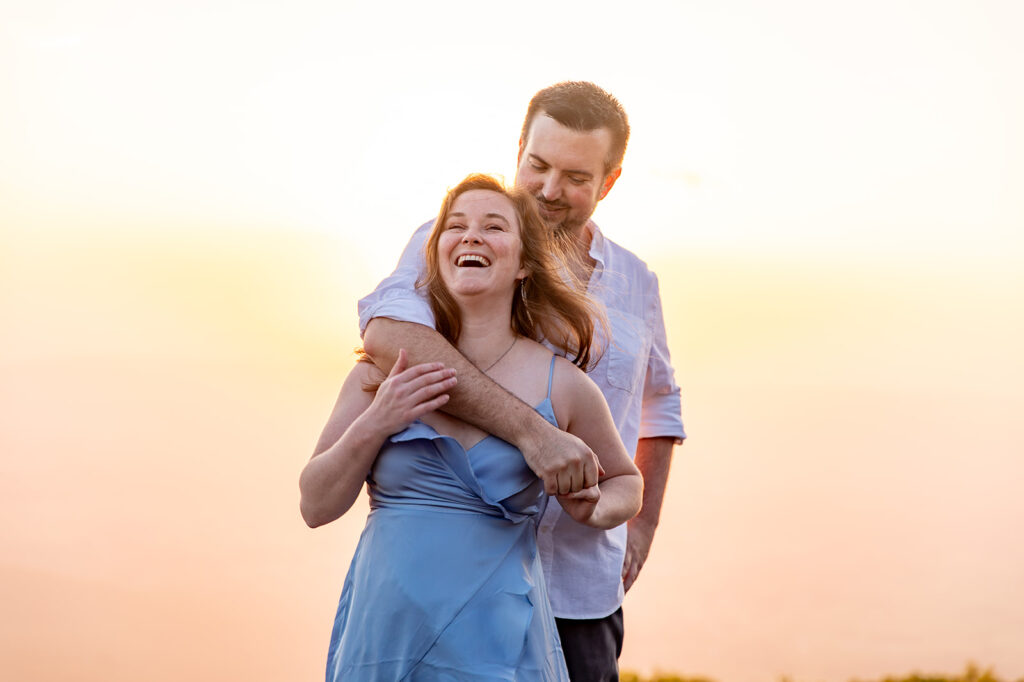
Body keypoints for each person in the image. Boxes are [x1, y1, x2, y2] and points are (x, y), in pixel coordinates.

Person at [358, 82, 685, 680]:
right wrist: (534, 433)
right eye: (537, 165)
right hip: (458, 588)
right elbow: (386, 333)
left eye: (576, 177)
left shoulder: (638, 281)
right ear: (518, 151)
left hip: (582, 592)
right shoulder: (454, 241)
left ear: (609, 182)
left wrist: (640, 528)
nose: (549, 190)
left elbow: (660, 407)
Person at [300, 174, 643, 680]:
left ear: (525, 263)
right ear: (435, 254)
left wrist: (595, 509)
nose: (471, 235)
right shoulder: (378, 373)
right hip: (385, 635)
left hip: (499, 640)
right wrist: (378, 420)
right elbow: (315, 505)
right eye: (455, 226)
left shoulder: (563, 385)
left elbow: (626, 481)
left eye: (494, 226)